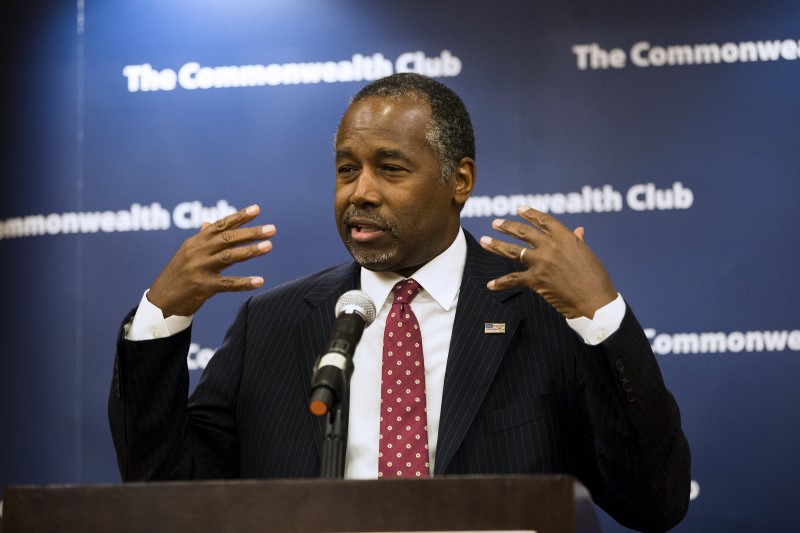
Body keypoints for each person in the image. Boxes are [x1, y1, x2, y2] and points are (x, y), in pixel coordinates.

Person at [109, 73, 690, 532]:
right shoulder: (275, 324)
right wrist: (162, 317)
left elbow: (652, 502)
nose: (360, 192)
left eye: (390, 169)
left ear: (459, 180)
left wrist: (602, 315)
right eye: (346, 170)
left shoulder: (541, 310)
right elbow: (168, 493)